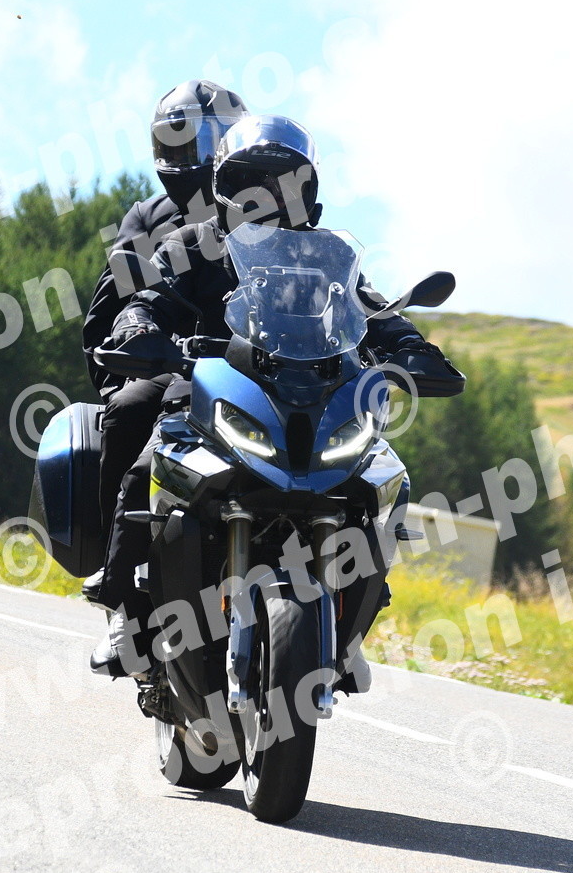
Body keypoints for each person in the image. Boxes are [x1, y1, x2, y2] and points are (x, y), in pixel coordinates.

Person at [89, 114, 461, 677]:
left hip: (313, 395)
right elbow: (152, 295)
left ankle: (347, 624)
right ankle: (126, 607)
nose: (264, 198)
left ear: (307, 195)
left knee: (378, 478)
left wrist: (411, 346)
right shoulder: (192, 244)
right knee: (145, 455)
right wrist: (139, 325)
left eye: (281, 185)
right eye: (248, 183)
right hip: (214, 384)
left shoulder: (328, 258)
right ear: (223, 189)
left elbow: (372, 309)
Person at [79, 81, 246, 603]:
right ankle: (118, 573)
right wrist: (133, 356)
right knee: (129, 409)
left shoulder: (265, 212)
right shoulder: (150, 218)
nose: (185, 156)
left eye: (198, 142)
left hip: (265, 372)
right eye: (173, 142)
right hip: (176, 366)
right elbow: (118, 302)